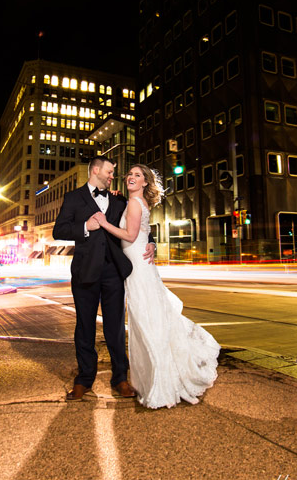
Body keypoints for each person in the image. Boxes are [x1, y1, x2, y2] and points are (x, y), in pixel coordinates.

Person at [92, 164, 220, 409]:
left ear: (145, 183)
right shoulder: (139, 203)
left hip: (138, 269)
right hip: (140, 266)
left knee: (146, 322)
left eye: (137, 176)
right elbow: (141, 233)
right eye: (129, 174)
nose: (131, 177)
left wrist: (103, 222)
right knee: (151, 320)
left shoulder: (134, 203)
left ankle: (159, 382)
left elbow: (129, 236)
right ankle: (154, 378)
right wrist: (150, 242)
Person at [52, 157, 156, 401]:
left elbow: (141, 227)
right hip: (85, 272)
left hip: (113, 272)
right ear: (96, 170)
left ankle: (120, 377)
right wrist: (85, 226)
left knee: (116, 328)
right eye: (110, 172)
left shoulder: (121, 199)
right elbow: (59, 230)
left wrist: (152, 243)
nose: (112, 176)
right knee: (84, 327)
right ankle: (84, 379)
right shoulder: (73, 198)